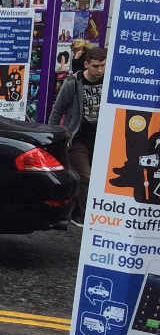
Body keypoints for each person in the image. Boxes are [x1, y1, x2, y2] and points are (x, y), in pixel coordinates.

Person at [48, 46, 107, 226]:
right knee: (85, 176)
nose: (100, 70)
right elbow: (57, 111)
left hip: (101, 137)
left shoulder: (110, 81)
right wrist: (53, 137)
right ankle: (79, 214)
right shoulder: (73, 83)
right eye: (96, 66)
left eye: (103, 66)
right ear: (86, 64)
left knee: (98, 178)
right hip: (77, 136)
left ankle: (76, 209)